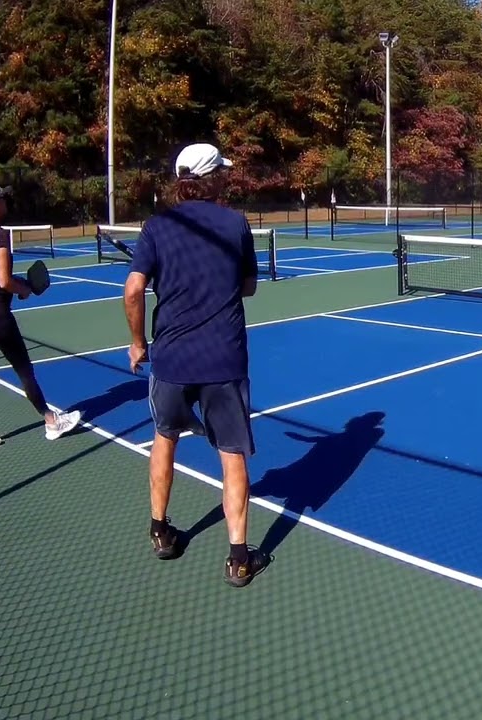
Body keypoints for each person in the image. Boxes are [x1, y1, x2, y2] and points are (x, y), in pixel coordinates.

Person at [122, 142, 269, 587]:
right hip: (223, 358)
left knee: (164, 439)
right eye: (222, 172)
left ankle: (160, 530)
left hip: (169, 359)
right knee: (232, 456)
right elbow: (249, 288)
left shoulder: (156, 226)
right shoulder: (235, 223)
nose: (227, 176)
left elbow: (132, 290)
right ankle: (239, 559)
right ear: (213, 179)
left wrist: (136, 343)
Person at [0, 180, 81, 452]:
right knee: (24, 370)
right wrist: (24, 288)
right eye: (2, 198)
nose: (6, 202)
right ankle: (52, 422)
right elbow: (3, 281)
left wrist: (19, 286)